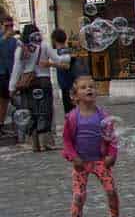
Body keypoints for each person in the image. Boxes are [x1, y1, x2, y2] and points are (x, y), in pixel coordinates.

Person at [61, 75, 126, 217]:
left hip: (100, 161)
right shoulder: (72, 118)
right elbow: (67, 141)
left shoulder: (103, 116)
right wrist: (73, 157)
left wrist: (112, 155)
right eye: (83, 87)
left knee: (111, 190)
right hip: (81, 162)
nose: (89, 89)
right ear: (75, 96)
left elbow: (112, 138)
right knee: (79, 195)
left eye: (92, 86)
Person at [9, 24, 69, 152]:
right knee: (45, 111)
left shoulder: (21, 49)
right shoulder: (44, 45)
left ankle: (34, 144)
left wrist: (12, 87)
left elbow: (17, 68)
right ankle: (46, 142)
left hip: (27, 84)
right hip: (43, 81)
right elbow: (59, 60)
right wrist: (66, 55)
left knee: (30, 112)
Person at [52, 29, 79, 115]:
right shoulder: (68, 50)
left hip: (67, 84)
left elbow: (66, 66)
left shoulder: (62, 52)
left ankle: (72, 126)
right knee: (72, 108)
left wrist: (50, 64)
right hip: (70, 83)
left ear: (54, 39)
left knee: (69, 109)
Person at [0, 21, 17, 140]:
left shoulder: (14, 41)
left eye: (11, 26)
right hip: (0, 72)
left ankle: (1, 125)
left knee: (5, 101)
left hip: (9, 73)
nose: (9, 28)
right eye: (6, 26)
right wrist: (4, 36)